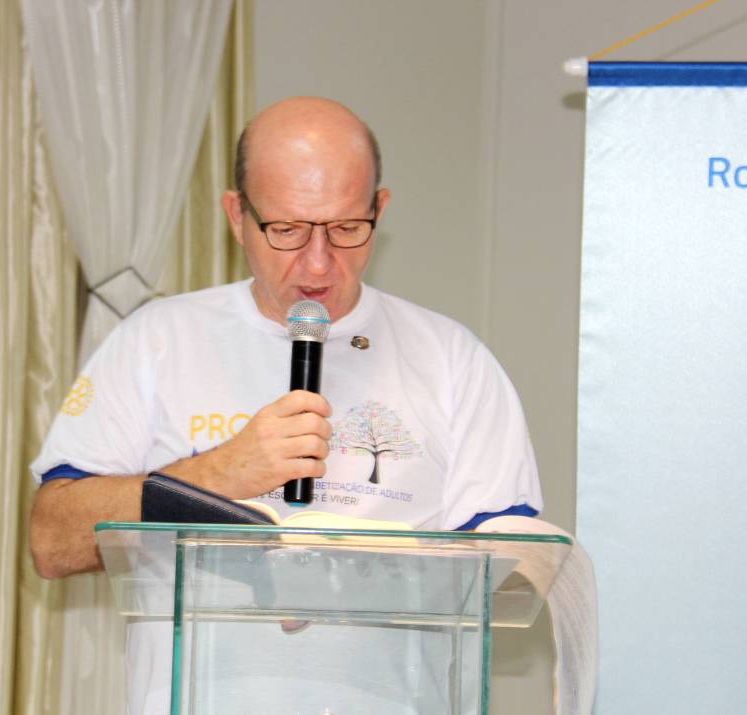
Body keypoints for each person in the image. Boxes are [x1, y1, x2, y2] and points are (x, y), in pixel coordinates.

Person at [29, 95, 545, 713]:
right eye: (288, 230)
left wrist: (337, 583)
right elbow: (53, 541)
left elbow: (511, 569)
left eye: (347, 228)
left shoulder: (451, 358)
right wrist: (220, 473)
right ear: (237, 216)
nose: (319, 262)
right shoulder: (156, 340)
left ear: (379, 209)